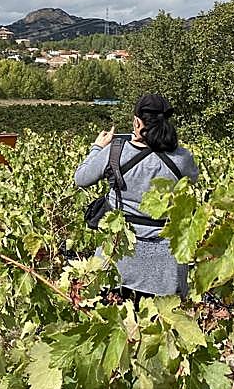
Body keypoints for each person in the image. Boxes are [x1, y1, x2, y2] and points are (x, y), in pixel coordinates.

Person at [74, 93, 199, 299]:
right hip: (165, 264)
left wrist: (97, 148)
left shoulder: (115, 152)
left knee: (112, 314)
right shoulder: (182, 158)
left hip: (117, 254)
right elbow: (192, 179)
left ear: (137, 122)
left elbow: (81, 178)